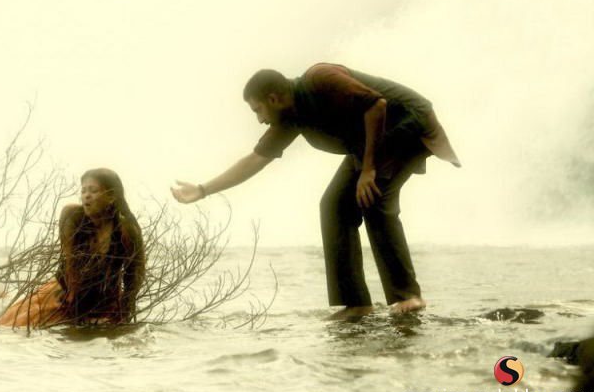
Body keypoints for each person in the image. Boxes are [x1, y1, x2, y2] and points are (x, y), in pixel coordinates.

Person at [171, 63, 460, 320]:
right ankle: (357, 304)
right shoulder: (290, 118)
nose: (259, 119)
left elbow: (377, 105)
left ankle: (408, 296)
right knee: (334, 205)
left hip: (407, 121)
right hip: (369, 143)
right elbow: (255, 160)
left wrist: (369, 169)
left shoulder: (320, 78)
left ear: (273, 98)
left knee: (373, 198)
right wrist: (203, 190)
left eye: (257, 110)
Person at [0, 168, 145, 328]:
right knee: (11, 325)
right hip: (67, 291)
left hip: (104, 299)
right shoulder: (73, 216)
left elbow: (135, 273)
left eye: (93, 191)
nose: (86, 195)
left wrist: (126, 308)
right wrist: (72, 295)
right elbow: (69, 261)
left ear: (111, 196)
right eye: (83, 191)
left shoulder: (125, 229)